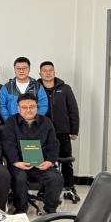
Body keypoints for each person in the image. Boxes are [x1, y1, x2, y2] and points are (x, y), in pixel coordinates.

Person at [1, 94, 62, 214]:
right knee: (20, 178)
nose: (28, 110)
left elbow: (53, 144)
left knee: (56, 178)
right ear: (18, 108)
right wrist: (16, 162)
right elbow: (8, 144)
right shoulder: (11, 122)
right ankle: (21, 208)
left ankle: (50, 208)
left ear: (37, 107)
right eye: (24, 107)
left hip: (41, 164)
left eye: (32, 107)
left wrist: (49, 161)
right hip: (19, 164)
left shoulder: (46, 122)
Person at [39, 61, 80, 194]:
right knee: (44, 160)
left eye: (50, 70)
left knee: (66, 160)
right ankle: (44, 187)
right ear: (40, 73)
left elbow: (73, 110)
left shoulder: (65, 88)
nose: (48, 73)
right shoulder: (36, 88)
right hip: (43, 132)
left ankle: (69, 186)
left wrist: (74, 130)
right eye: (44, 71)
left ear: (54, 72)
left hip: (63, 131)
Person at [0, 57, 48, 122]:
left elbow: (43, 105)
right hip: (13, 124)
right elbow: (2, 106)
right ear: (14, 69)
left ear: (29, 69)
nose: (21, 71)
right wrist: (10, 121)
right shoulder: (6, 87)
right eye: (18, 68)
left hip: (33, 125)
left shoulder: (37, 86)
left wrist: (34, 121)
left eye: (24, 68)